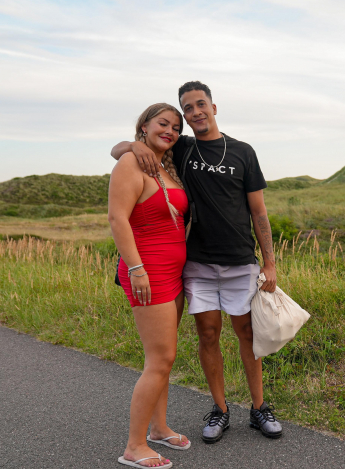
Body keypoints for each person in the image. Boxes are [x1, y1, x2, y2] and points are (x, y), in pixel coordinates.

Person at [111, 81, 282, 443]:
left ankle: (259, 408)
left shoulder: (242, 152)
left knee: (248, 335)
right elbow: (120, 150)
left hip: (240, 261)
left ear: (214, 107)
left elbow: (259, 211)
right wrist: (133, 144)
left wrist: (269, 262)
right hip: (199, 265)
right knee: (208, 335)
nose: (194, 113)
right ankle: (220, 411)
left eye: (199, 104)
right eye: (187, 109)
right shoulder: (183, 148)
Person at [108, 103, 191, 469]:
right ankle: (134, 446)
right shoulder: (131, 163)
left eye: (176, 127)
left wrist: (130, 144)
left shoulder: (163, 166)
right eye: (163, 123)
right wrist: (136, 267)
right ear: (144, 125)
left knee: (165, 358)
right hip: (149, 271)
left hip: (173, 273)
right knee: (160, 360)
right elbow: (117, 219)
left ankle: (158, 428)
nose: (170, 131)